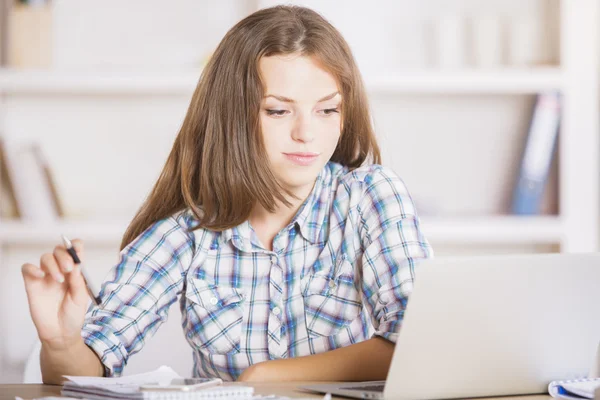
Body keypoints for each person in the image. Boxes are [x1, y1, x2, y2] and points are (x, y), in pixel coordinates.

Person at [21, 5, 433, 385]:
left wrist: (266, 375)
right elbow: (85, 371)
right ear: (233, 116)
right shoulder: (186, 234)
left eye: (328, 110)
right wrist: (62, 344)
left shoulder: (371, 198)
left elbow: (419, 344)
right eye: (278, 110)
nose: (307, 133)